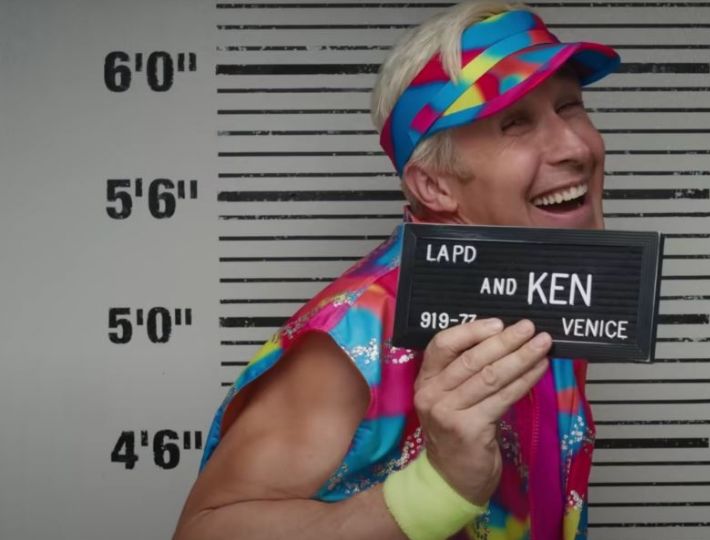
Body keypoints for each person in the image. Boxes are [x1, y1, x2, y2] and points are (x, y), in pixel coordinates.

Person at [173, 1, 620, 538]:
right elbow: (205, 530)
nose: (575, 146)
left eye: (570, 106)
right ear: (434, 185)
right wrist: (438, 488)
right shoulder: (355, 336)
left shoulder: (553, 284)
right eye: (515, 123)